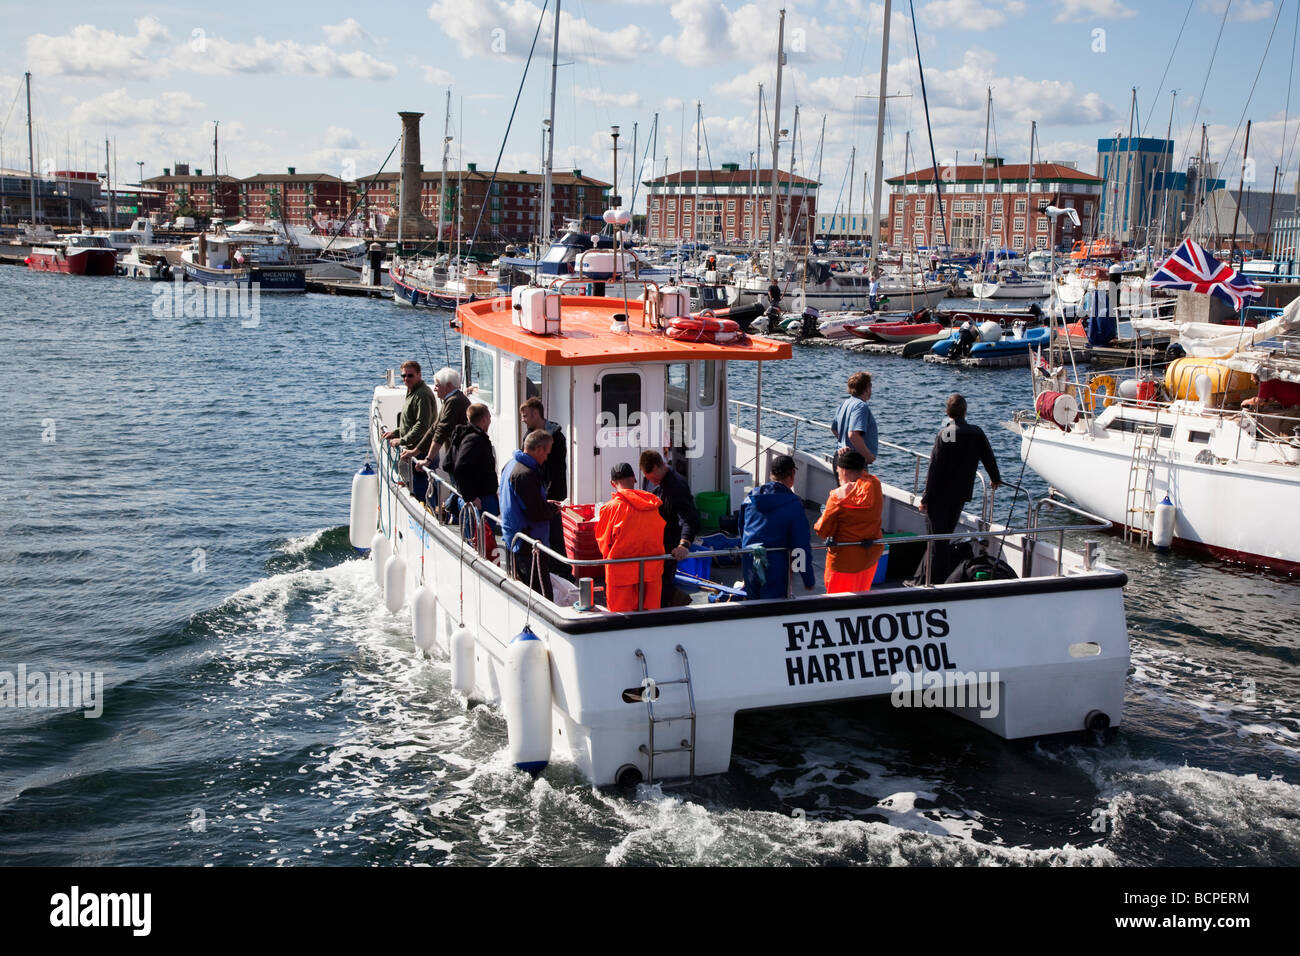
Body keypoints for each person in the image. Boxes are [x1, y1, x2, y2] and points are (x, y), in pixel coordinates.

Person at [914, 393, 1002, 584]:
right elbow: (988, 457)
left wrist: (925, 498)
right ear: (965, 411)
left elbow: (935, 468)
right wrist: (995, 478)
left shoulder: (948, 432)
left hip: (939, 496)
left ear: (948, 412)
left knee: (938, 540)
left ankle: (936, 580)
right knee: (944, 537)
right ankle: (931, 577)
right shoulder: (976, 432)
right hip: (960, 494)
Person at [739, 454, 815, 599]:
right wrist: (807, 578)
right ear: (792, 474)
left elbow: (742, 529)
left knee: (752, 607)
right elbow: (800, 545)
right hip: (775, 566)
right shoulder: (794, 505)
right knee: (773, 610)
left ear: (771, 474)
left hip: (750, 561)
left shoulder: (750, 497)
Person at [595, 462, 667, 612]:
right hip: (651, 571)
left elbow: (603, 543)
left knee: (621, 621)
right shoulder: (653, 505)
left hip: (621, 574)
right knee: (651, 618)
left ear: (612, 483)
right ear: (634, 479)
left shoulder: (611, 508)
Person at [499, 429, 561, 601]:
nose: (546, 458)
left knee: (525, 588)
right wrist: (553, 510)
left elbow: (523, 503)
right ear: (539, 449)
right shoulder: (525, 474)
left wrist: (546, 504)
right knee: (541, 596)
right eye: (546, 453)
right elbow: (535, 513)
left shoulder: (511, 465)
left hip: (516, 539)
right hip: (529, 543)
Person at [813, 450, 885, 594]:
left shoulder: (837, 497)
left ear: (844, 471)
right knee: (862, 594)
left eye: (838, 471)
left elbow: (822, 530)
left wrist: (822, 517)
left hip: (843, 562)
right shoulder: (875, 484)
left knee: (837, 602)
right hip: (869, 557)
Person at [639, 449, 700, 607]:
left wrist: (684, 544)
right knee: (648, 583)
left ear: (660, 466)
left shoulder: (677, 486)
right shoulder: (649, 481)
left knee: (662, 584)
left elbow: (689, 517)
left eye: (653, 478)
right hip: (650, 544)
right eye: (648, 479)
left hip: (668, 545)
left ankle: (676, 603)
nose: (652, 482)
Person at [520, 397, 570, 580]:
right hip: (537, 493)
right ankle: (547, 569)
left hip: (550, 494)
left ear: (535, 413)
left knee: (555, 535)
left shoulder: (556, 438)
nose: (523, 419)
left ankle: (563, 573)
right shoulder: (529, 436)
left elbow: (557, 471)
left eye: (525, 415)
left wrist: (549, 498)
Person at [382, 360, 436, 504]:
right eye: (403, 376)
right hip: (413, 448)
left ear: (419, 374)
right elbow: (410, 422)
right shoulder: (412, 391)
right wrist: (396, 432)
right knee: (418, 487)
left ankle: (431, 513)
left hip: (421, 450)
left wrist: (402, 440)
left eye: (410, 375)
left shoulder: (422, 395)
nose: (406, 379)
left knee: (423, 489)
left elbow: (422, 425)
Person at [448, 403, 499, 550]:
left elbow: (450, 464)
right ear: (483, 420)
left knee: (477, 541)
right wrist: (470, 496)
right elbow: (459, 467)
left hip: (478, 497)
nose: (490, 420)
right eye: (489, 417)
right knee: (482, 543)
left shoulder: (463, 435)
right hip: (481, 500)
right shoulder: (474, 439)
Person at [411, 367, 470, 471]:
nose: (434, 389)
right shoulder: (450, 400)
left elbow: (441, 431)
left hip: (461, 459)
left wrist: (428, 460)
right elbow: (435, 427)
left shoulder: (454, 402)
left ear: (448, 386)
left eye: (437, 385)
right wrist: (415, 451)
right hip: (457, 457)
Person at [831, 371, 878, 467]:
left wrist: (844, 444)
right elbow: (853, 435)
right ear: (867, 387)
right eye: (870, 386)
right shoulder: (861, 406)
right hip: (853, 463)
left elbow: (834, 429)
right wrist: (868, 457)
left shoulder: (845, 403)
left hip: (840, 457)